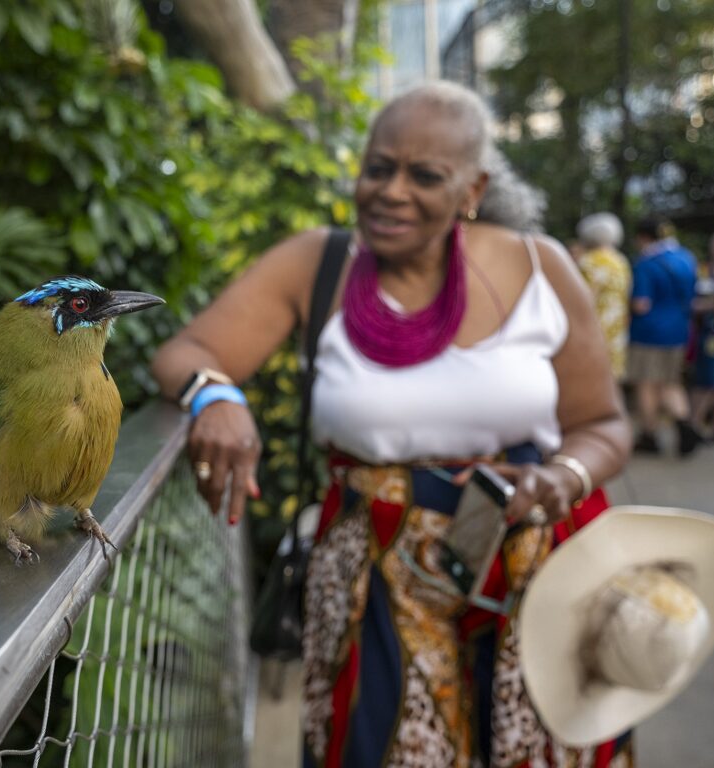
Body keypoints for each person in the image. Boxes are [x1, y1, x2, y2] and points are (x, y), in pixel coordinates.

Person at [152, 81, 632, 767]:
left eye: (424, 176)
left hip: (535, 569)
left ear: (473, 187)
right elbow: (184, 352)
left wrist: (565, 476)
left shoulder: (539, 266)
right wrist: (212, 397)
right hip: (369, 583)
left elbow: (604, 424)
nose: (391, 191)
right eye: (379, 168)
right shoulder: (317, 263)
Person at [626, 216, 699, 456]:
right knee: (670, 382)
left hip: (649, 333)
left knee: (646, 385)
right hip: (678, 331)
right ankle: (685, 423)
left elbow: (641, 304)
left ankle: (649, 436)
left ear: (644, 237)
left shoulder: (646, 263)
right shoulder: (686, 258)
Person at [574, 213, 632, 381]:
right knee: (610, 379)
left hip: (594, 326)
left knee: (589, 378)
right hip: (617, 328)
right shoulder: (621, 261)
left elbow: (583, 299)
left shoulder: (589, 261)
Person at [690, 227, 714, 438]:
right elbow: (692, 303)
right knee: (708, 381)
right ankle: (694, 425)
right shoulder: (704, 271)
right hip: (713, 334)